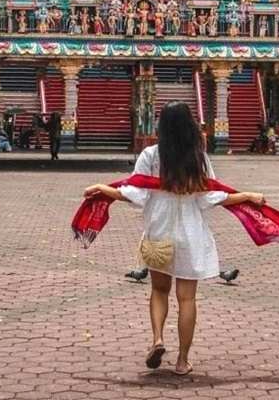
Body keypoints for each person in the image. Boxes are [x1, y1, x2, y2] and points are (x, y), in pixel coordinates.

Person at [82, 102, 266, 376]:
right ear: (190, 125)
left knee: (158, 291)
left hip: (159, 231)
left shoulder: (151, 155)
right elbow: (211, 197)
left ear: (162, 126)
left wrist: (103, 188)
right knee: (187, 299)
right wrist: (249, 195)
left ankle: (157, 339)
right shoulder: (199, 158)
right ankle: (182, 360)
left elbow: (135, 192)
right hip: (191, 235)